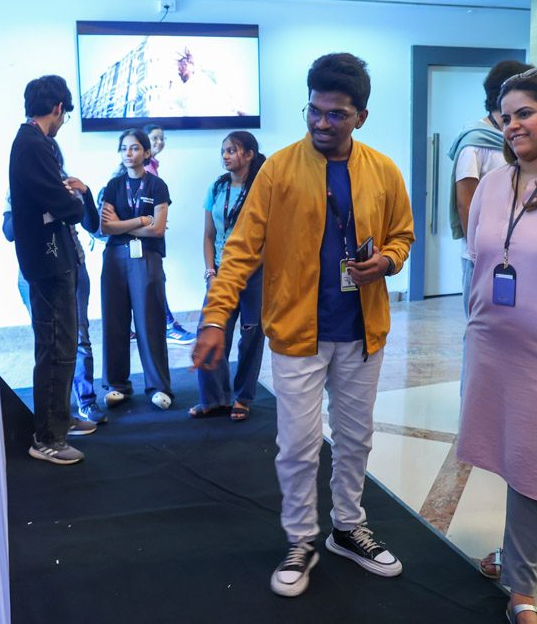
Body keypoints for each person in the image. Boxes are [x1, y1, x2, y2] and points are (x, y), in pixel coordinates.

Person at [192, 53, 414, 597]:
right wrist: (216, 317)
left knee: (356, 438)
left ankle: (348, 527)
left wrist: (386, 261)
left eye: (336, 114)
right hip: (297, 333)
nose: (321, 122)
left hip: (362, 331)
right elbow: (240, 250)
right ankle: (301, 538)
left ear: (361, 116)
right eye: (314, 110)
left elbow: (402, 235)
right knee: (296, 445)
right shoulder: (278, 170)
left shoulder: (384, 171)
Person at [457, 67, 537, 624]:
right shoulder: (495, 183)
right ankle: (517, 560)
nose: (513, 124)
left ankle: (521, 590)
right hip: (494, 346)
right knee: (517, 458)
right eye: (506, 116)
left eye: (526, 113)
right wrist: (474, 327)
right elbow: (480, 259)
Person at [9, 74, 95, 465]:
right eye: (65, 114)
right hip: (48, 261)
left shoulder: (35, 143)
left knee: (61, 345)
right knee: (57, 347)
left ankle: (58, 419)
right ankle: (47, 437)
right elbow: (65, 205)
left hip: (55, 257)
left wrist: (69, 199)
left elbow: (61, 199)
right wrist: (74, 201)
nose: (63, 121)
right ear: (58, 107)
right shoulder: (32, 145)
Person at [3, 142, 107, 425]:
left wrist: (83, 194)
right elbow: (8, 232)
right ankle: (57, 414)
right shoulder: (19, 188)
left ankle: (86, 401)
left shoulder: (69, 185)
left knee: (79, 336)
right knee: (49, 343)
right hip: (36, 272)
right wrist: (34, 202)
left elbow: (92, 225)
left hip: (73, 267)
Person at [189, 131, 266, 422]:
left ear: (249, 154)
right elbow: (209, 235)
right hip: (220, 272)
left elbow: (268, 237)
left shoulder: (261, 188)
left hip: (254, 273)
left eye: (232, 150)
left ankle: (243, 398)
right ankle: (213, 399)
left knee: (251, 337)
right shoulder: (217, 187)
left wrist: (250, 267)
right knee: (210, 329)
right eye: (223, 151)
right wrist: (210, 271)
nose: (225, 156)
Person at [448, 60, 533, 317]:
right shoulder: (475, 141)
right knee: (481, 319)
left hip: (519, 252)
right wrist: (480, 254)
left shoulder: (525, 141)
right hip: (483, 255)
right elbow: (466, 203)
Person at [100, 128, 173, 411]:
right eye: (124, 148)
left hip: (147, 257)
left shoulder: (157, 186)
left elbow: (157, 230)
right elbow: (106, 228)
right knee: (115, 321)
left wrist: (124, 225)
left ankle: (158, 387)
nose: (128, 153)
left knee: (150, 321)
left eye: (134, 148)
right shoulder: (113, 186)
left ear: (146, 152)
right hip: (115, 259)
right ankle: (116, 385)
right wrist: (141, 220)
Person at [142, 123, 196, 345]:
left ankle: (160, 325)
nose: (159, 142)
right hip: (145, 237)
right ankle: (167, 326)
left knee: (152, 280)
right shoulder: (145, 169)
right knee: (155, 280)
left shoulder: (152, 166)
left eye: (162, 138)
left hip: (151, 234)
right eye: (154, 138)